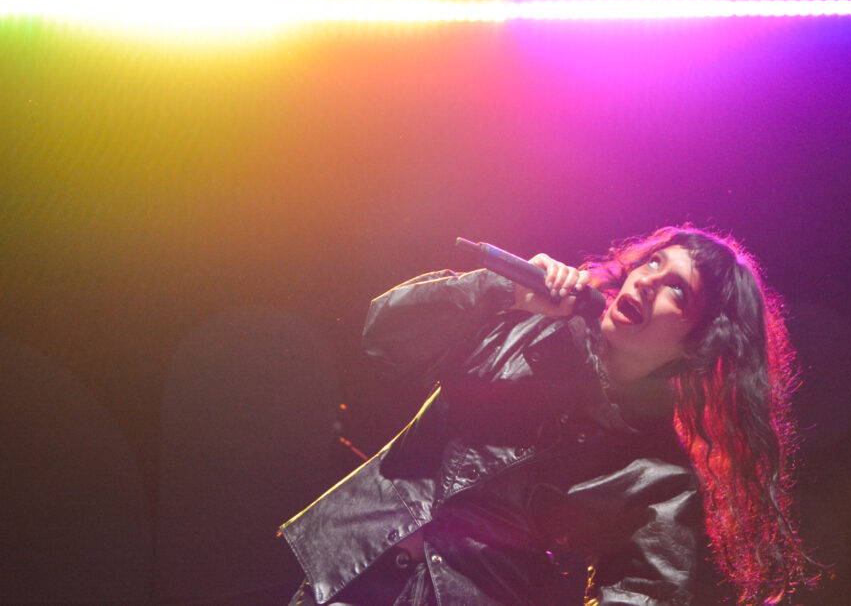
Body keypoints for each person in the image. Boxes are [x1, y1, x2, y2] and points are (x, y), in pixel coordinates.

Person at [280, 225, 817, 605]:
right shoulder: (526, 324)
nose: (649, 280)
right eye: (654, 261)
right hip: (349, 572)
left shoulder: (655, 476)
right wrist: (502, 292)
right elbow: (383, 338)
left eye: (678, 287)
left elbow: (645, 593)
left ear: (697, 345)